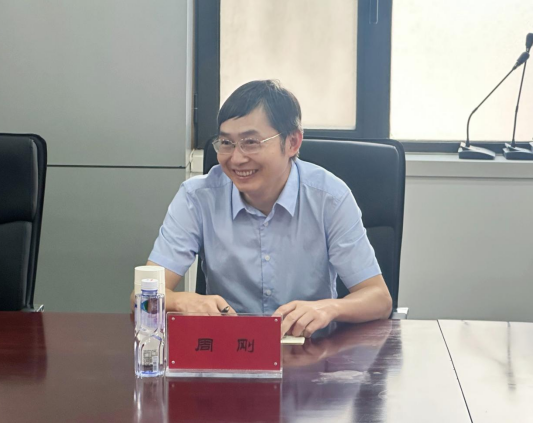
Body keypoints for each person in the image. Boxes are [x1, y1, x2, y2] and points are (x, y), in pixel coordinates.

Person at [132, 80, 393, 337]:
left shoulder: (330, 198)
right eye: (226, 143)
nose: (236, 158)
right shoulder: (197, 198)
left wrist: (329, 308)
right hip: (229, 350)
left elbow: (379, 299)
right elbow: (140, 299)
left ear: (292, 143)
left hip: (312, 350)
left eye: (251, 142)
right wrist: (182, 301)